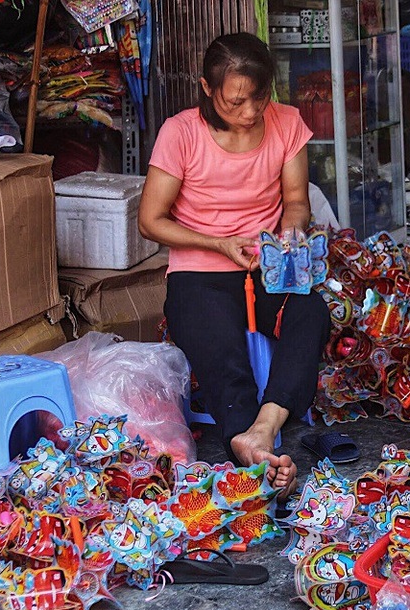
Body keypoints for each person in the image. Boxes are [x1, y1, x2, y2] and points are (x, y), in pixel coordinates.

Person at [138, 32, 332, 500]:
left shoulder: (286, 123)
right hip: (198, 273)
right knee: (224, 353)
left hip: (264, 267)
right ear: (208, 89)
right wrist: (217, 243)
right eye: (235, 102)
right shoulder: (180, 132)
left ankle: (263, 430)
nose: (249, 113)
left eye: (259, 98)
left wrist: (289, 235)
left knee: (311, 315)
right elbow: (150, 221)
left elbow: (295, 200)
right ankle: (249, 447)